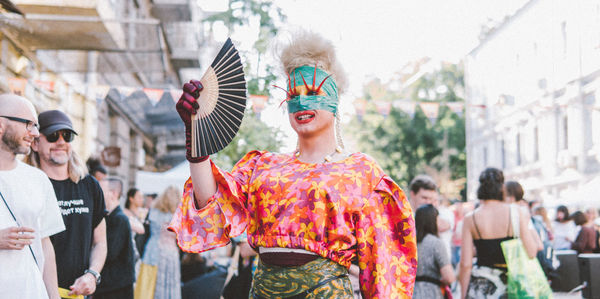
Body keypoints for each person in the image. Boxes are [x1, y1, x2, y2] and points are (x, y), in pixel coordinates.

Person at [168, 32, 417, 298]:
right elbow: (211, 206)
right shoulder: (263, 166)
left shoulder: (360, 173)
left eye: (312, 92)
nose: (301, 101)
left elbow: (386, 271)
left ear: (334, 99)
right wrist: (196, 138)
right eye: (292, 93)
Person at [26, 109, 107, 298]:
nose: (61, 142)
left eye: (67, 135)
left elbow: (101, 241)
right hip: (37, 292)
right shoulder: (28, 186)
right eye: (53, 136)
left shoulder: (89, 185)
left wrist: (92, 275)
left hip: (77, 294)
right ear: (36, 143)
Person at [0, 94, 65, 299]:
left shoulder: (38, 179)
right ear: (1, 124)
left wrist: (53, 296)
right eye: (28, 124)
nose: (36, 133)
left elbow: (45, 244)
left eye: (36, 126)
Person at [459, 168, 538, 299]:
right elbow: (531, 252)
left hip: (481, 287)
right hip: (509, 285)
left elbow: (465, 264)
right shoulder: (516, 212)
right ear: (502, 187)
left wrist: (463, 295)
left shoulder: (470, 218)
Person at [136, 185, 182, 299]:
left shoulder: (153, 211)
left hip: (152, 249)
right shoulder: (178, 215)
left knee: (150, 282)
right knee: (170, 282)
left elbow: (146, 230)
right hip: (170, 252)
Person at [95, 177, 135, 299]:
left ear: (113, 194)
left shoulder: (119, 219)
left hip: (116, 287)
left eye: (100, 191)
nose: (97, 194)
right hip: (111, 285)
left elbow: (110, 252)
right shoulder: (110, 216)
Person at [413, 204, 455, 299]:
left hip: (411, 292)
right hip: (432, 293)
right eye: (438, 218)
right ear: (432, 221)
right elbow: (449, 277)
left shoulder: (409, 243)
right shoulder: (436, 243)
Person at [409, 175, 454, 261]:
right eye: (424, 198)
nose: (428, 202)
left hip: (441, 269)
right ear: (412, 194)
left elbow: (442, 226)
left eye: (431, 199)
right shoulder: (404, 214)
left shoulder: (445, 213)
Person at [124, 188, 147, 255]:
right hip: (131, 247)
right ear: (131, 199)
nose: (142, 200)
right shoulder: (125, 213)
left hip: (142, 248)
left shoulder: (144, 212)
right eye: (139, 197)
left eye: (142, 197)